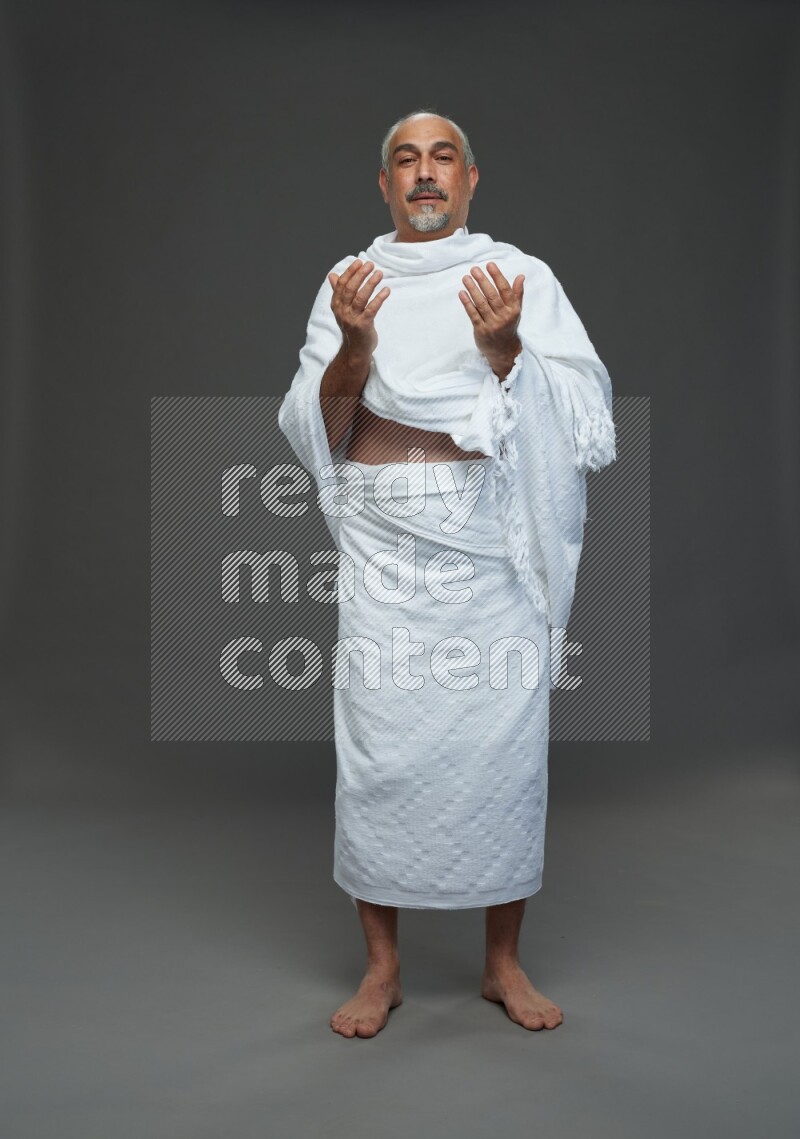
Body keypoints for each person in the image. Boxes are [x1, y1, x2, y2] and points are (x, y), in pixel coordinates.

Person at [278, 109, 616, 1038]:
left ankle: (502, 963)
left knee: (503, 756)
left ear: (470, 179)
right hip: (384, 555)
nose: (425, 173)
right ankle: (381, 968)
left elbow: (584, 410)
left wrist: (508, 355)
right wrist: (354, 348)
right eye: (406, 159)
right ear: (384, 185)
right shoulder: (349, 283)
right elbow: (320, 427)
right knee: (379, 754)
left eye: (442, 158)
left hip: (492, 553)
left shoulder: (519, 277)